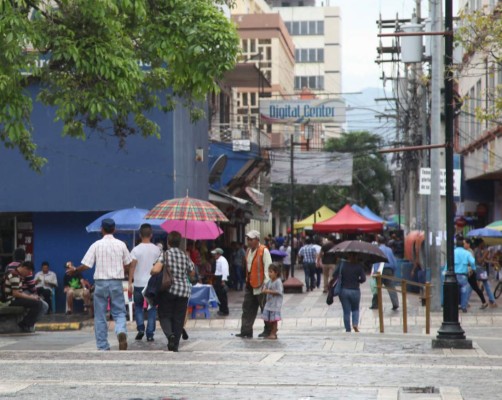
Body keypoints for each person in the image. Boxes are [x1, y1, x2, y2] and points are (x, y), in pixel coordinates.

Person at [67, 218, 133, 351]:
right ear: (114, 229)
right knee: (119, 312)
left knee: (100, 315)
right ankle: (121, 331)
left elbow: (86, 265)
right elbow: (128, 263)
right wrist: (121, 270)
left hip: (100, 283)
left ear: (102, 229)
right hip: (116, 282)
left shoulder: (96, 245)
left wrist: (75, 271)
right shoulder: (121, 245)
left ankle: (103, 346)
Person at [151, 231, 195, 352]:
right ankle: (175, 345)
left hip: (168, 290)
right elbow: (192, 273)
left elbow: (156, 269)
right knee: (178, 318)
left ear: (168, 242)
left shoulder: (165, 255)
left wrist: (152, 271)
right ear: (179, 242)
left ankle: (170, 335)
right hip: (183, 291)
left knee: (164, 314)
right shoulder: (185, 256)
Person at [235, 229, 272, 339]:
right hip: (250, 284)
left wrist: (266, 284)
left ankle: (268, 330)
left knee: (265, 308)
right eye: (248, 239)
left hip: (261, 285)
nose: (249, 241)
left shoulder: (263, 250)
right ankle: (246, 330)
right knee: (247, 308)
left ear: (257, 240)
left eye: (251, 239)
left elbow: (268, 268)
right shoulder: (247, 251)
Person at [128, 223, 161, 342]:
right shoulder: (157, 250)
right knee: (152, 308)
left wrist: (130, 282)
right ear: (151, 235)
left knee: (138, 307)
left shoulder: (135, 250)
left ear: (140, 235)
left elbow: (132, 267)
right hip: (151, 284)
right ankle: (150, 333)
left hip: (138, 283)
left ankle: (141, 328)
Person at [4, 259, 43, 332]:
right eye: (28, 272)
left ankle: (27, 324)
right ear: (25, 268)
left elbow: (20, 292)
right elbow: (15, 293)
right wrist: (31, 297)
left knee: (38, 302)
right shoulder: (14, 275)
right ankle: (25, 324)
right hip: (12, 300)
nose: (28, 274)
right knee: (37, 304)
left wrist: (32, 297)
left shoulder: (18, 275)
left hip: (15, 298)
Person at [334, 253, 366, 332]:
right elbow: (363, 279)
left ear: (348, 256)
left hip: (344, 290)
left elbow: (334, 274)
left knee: (346, 311)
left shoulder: (342, 265)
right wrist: (357, 280)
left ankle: (348, 329)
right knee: (355, 309)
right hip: (355, 290)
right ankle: (355, 324)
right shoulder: (359, 266)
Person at [373, 235, 399, 310]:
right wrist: (394, 270)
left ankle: (375, 304)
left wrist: (375, 271)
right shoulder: (389, 250)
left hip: (380, 270)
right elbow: (394, 261)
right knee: (391, 287)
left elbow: (376, 261)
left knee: (377, 287)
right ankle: (395, 303)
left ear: (378, 242)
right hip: (389, 270)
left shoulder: (378, 250)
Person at [261, 263, 283, 340]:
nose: (269, 274)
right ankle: (273, 331)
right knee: (268, 319)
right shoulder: (270, 281)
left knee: (274, 320)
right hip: (269, 304)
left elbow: (279, 291)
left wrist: (268, 291)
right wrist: (264, 288)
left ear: (276, 273)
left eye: (271, 272)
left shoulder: (278, 281)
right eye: (268, 272)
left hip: (275, 304)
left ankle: (273, 333)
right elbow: (265, 286)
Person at [473, 239, 497, 308]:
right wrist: (485, 254)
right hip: (479, 270)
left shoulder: (479, 250)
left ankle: (492, 300)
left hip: (481, 269)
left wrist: (492, 262)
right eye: (483, 243)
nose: (484, 244)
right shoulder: (477, 250)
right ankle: (492, 300)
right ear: (480, 244)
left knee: (482, 285)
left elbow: (484, 260)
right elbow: (480, 260)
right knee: (486, 285)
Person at [454, 236, 475, 313]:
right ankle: (463, 306)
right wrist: (473, 268)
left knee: (454, 291)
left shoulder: (453, 252)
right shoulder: (467, 253)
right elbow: (472, 262)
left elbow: (448, 264)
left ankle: (454, 305)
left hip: (453, 275)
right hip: (463, 276)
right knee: (465, 290)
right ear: (463, 245)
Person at [212, 248, 230, 316]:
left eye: (215, 254)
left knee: (222, 295)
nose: (214, 255)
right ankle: (221, 309)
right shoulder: (218, 260)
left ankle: (225, 310)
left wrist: (223, 280)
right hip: (218, 278)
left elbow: (224, 270)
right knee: (219, 295)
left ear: (218, 254)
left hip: (221, 278)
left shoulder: (222, 260)